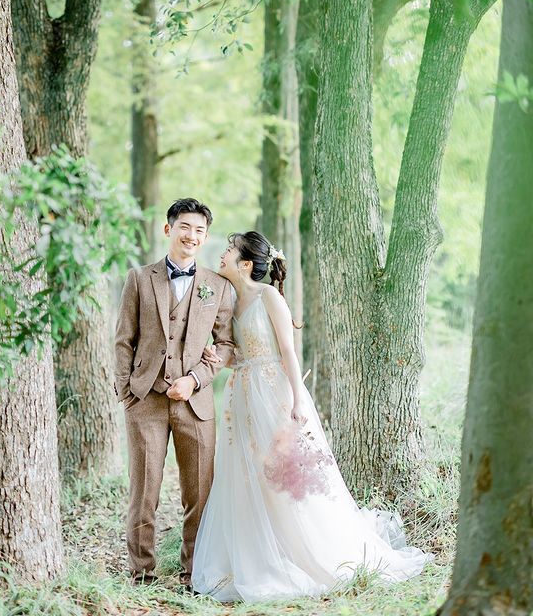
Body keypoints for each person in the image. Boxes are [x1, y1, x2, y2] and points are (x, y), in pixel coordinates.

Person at [192, 231, 433, 603]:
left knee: (284, 477)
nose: (221, 255)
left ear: (244, 264)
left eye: (228, 250)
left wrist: (297, 401)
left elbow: (288, 351)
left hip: (273, 394)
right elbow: (240, 356)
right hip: (241, 397)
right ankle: (256, 553)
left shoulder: (268, 297)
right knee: (247, 474)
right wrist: (219, 361)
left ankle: (304, 551)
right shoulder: (229, 300)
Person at [114, 198, 235, 590]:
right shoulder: (138, 278)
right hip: (144, 401)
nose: (192, 236)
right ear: (169, 230)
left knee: (198, 494)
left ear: (206, 237)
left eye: (200, 230)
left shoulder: (218, 287)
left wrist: (196, 379)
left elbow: (226, 345)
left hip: (196, 406)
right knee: (144, 490)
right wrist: (126, 392)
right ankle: (141, 572)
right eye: (185, 227)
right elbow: (123, 340)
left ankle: (193, 572)